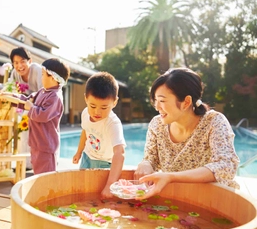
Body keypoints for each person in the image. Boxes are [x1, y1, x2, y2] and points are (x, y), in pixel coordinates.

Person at [134, 67, 240, 200]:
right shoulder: (157, 124)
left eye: (162, 101)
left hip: (215, 201)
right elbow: (151, 159)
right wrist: (146, 164)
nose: (157, 107)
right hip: (178, 199)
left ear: (186, 102)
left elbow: (226, 166)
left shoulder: (214, 122)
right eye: (155, 101)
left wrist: (171, 177)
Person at [72, 72, 126, 199]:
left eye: (104, 107)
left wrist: (110, 185)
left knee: (100, 195)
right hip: (87, 157)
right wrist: (79, 152)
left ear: (115, 102)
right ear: (86, 98)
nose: (97, 112)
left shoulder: (113, 123)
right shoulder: (85, 113)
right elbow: (85, 131)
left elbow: (120, 153)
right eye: (92, 105)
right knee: (83, 190)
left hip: (104, 163)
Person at [14, 58, 70, 174]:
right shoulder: (43, 91)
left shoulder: (55, 96)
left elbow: (42, 115)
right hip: (37, 142)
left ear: (54, 78)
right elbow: (27, 100)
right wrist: (11, 98)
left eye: (44, 74)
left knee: (45, 176)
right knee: (37, 173)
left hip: (46, 146)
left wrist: (31, 107)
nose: (41, 77)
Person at [9, 47, 43, 169]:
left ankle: (36, 162)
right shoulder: (14, 73)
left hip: (41, 107)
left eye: (23, 61)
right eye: (16, 63)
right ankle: (24, 161)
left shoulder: (38, 71)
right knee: (19, 127)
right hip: (24, 108)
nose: (20, 66)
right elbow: (9, 88)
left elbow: (44, 93)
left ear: (30, 61)